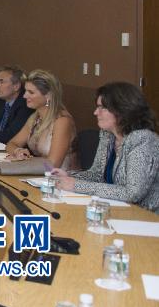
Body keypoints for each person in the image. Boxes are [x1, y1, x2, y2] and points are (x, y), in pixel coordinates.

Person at [53, 82, 159, 213]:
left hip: (145, 215)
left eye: (102, 108)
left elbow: (132, 193)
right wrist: (68, 176)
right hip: (116, 209)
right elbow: (97, 175)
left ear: (122, 109)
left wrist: (76, 185)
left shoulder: (143, 140)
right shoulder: (108, 135)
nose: (95, 112)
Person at [4, 69, 78, 170]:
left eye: (31, 92)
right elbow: (11, 144)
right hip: (40, 173)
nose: (25, 96)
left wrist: (25, 161)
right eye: (25, 91)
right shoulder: (35, 117)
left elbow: (53, 164)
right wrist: (18, 151)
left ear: (48, 95)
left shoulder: (62, 121)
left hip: (61, 177)